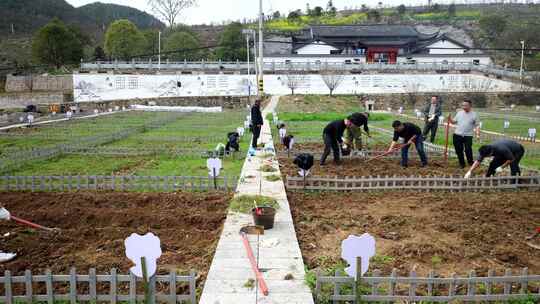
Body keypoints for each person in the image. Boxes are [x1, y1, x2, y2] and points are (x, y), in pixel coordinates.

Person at [448, 99, 480, 168]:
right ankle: (462, 164)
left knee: (468, 149)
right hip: (457, 135)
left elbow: (477, 125)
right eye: (463, 105)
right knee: (459, 151)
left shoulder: (474, 114)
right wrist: (449, 119)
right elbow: (453, 122)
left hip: (468, 135)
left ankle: (470, 162)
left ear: (470, 106)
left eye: (466, 105)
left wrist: (477, 134)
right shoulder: (459, 113)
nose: (464, 107)